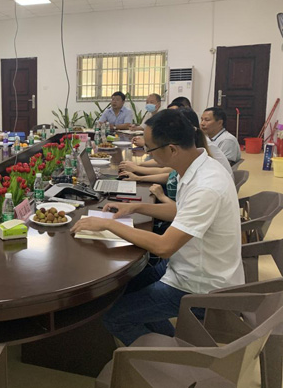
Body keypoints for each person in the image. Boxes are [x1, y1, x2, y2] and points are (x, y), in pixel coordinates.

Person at [71, 109, 244, 346]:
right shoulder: (198, 166)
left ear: (172, 149)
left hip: (199, 286)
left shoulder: (206, 186)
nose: (148, 154)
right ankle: (169, 340)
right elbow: (180, 212)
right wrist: (135, 207)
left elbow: (164, 246)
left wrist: (108, 224)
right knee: (125, 286)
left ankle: (172, 355)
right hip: (185, 265)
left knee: (114, 317)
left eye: (150, 149)